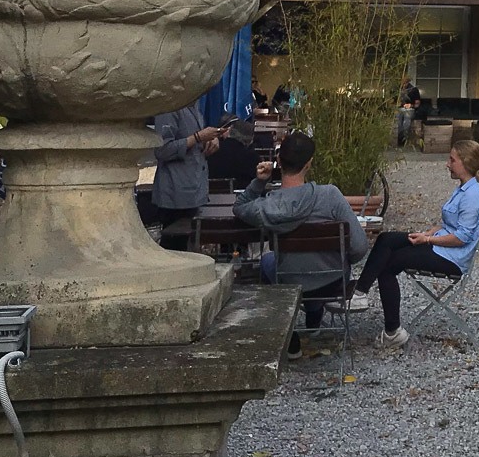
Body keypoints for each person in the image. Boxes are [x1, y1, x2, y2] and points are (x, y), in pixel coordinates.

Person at [233, 130, 368, 357]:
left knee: (268, 261)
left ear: (278, 161)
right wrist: (343, 260)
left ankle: (290, 337)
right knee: (310, 266)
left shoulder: (268, 206)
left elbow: (240, 206)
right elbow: (359, 246)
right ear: (309, 164)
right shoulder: (330, 196)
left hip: (289, 281)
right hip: (332, 280)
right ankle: (313, 317)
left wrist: (259, 181)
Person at [347, 139, 479, 349]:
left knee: (390, 264)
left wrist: (428, 239)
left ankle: (392, 331)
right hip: (441, 246)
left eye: (452, 160)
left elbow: (462, 238)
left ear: (466, 163)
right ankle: (360, 292)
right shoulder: (463, 188)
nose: (447, 164)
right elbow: (451, 224)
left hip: (452, 258)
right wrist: (430, 232)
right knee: (387, 239)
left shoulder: (473, 195)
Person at [153, 103, 220, 251]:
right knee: (174, 249)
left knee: (189, 248)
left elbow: (193, 143)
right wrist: (198, 137)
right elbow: (162, 150)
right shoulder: (169, 109)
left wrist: (209, 140)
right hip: (175, 193)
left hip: (195, 189)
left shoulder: (194, 107)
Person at [206, 119, 259, 190]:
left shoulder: (211, 151)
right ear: (251, 139)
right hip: (242, 198)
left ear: (230, 131)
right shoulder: (252, 157)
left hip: (209, 197)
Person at [395, 77, 423, 148]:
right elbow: (390, 102)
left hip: (410, 109)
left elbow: (417, 104)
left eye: (405, 83)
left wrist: (411, 105)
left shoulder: (413, 90)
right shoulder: (396, 90)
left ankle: (405, 140)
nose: (403, 85)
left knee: (406, 121)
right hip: (399, 109)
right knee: (398, 121)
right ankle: (399, 140)